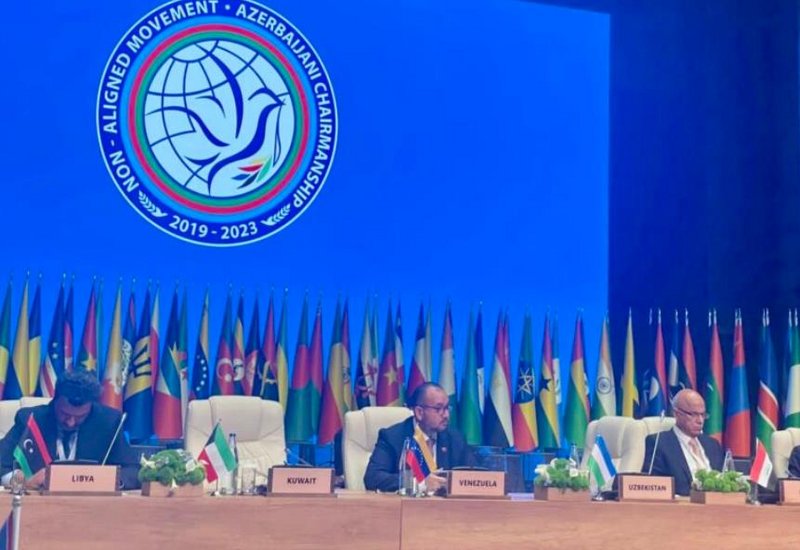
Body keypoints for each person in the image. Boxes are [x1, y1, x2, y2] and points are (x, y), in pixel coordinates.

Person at [0, 370, 139, 490]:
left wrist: (106, 481)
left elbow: (133, 471)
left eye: (80, 417)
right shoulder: (31, 420)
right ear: (55, 401)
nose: (71, 422)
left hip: (92, 505)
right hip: (40, 503)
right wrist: (23, 481)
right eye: (65, 414)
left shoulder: (108, 422)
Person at [364, 382, 476, 493]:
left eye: (447, 408)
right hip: (407, 503)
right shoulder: (393, 437)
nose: (446, 415)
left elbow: (474, 476)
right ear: (419, 412)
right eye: (438, 409)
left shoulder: (455, 439)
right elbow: (372, 478)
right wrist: (419, 483)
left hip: (444, 504)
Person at [641, 388, 724, 496]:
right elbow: (653, 487)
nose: (700, 421)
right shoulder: (658, 443)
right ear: (676, 413)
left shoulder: (712, 445)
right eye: (693, 414)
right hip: (683, 504)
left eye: (703, 415)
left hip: (717, 504)